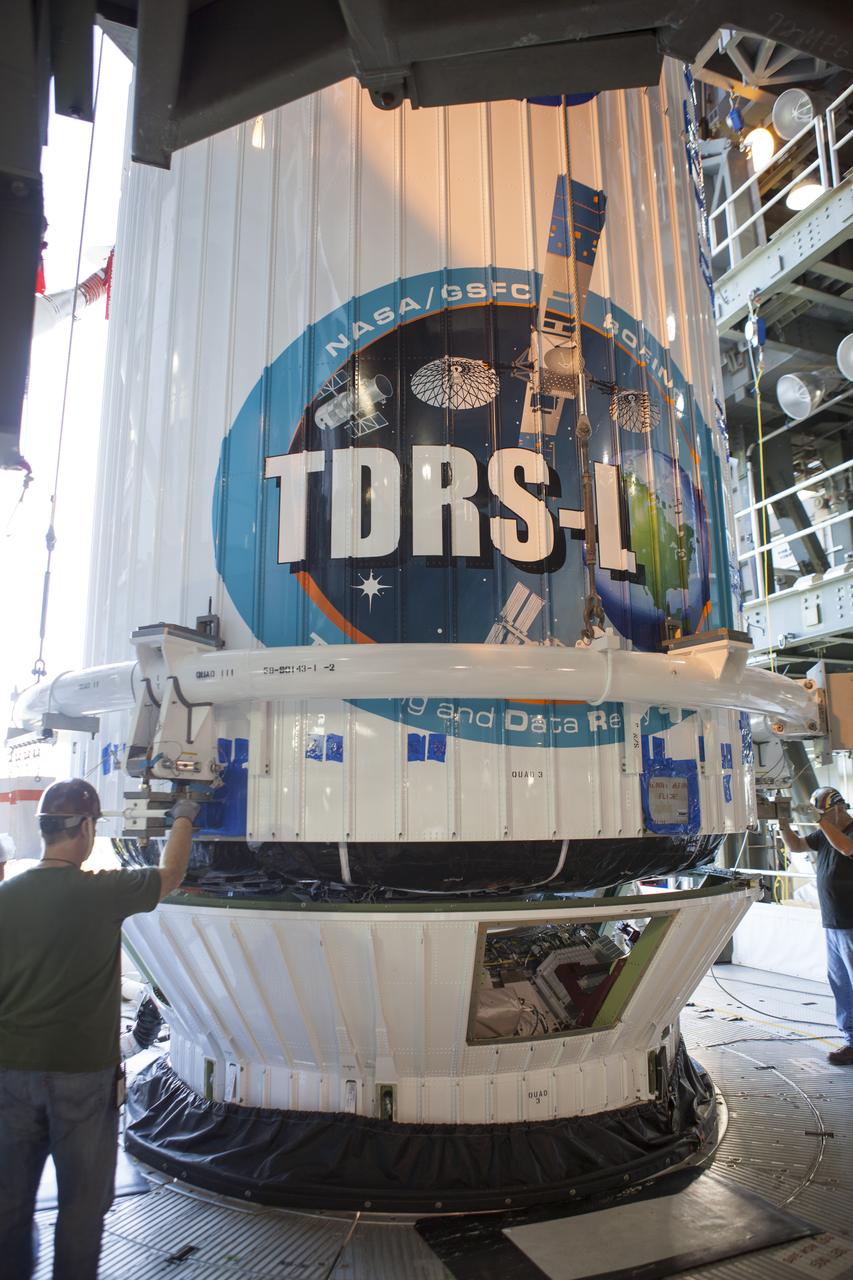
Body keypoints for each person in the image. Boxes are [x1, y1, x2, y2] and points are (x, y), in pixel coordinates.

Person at [0, 778, 197, 1280]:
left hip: (11, 1073)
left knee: (10, 1203)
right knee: (82, 1208)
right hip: (82, 1075)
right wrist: (184, 813)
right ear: (86, 827)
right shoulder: (102, 892)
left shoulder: (7, 896)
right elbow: (171, 873)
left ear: (45, 829)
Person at [779, 786, 853, 1066]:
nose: (820, 820)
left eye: (824, 814)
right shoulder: (824, 834)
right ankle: (851, 1040)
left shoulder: (845, 833)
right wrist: (782, 823)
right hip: (833, 923)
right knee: (841, 984)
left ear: (839, 809)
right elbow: (796, 846)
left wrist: (821, 822)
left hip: (850, 921)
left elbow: (846, 847)